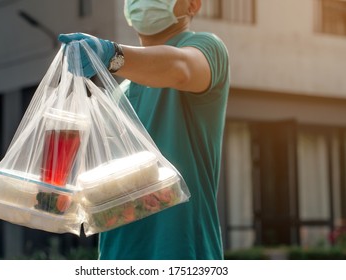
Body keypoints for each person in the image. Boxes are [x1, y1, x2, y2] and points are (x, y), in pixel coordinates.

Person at [58, 0, 229, 260]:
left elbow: (180, 68)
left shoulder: (208, 48)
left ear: (193, 5)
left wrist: (110, 54)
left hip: (181, 253)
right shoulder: (120, 92)